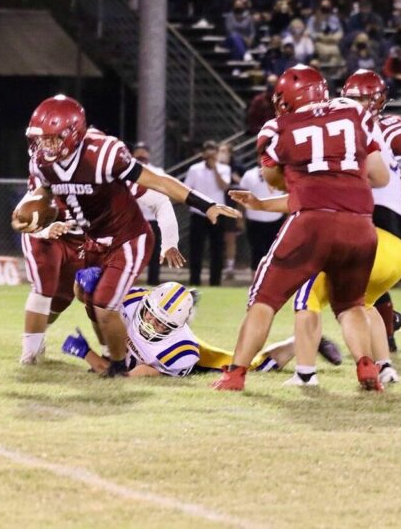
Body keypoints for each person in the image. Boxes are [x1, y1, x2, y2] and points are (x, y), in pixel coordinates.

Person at [14, 95, 238, 378]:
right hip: (93, 239)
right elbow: (40, 200)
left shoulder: (104, 154)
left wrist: (205, 205)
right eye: (41, 139)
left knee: (104, 304)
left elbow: (158, 184)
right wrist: (35, 221)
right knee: (86, 297)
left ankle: (116, 366)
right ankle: (111, 357)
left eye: (52, 139)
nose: (44, 146)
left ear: (73, 134)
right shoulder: (41, 163)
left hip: (127, 238)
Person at [212, 65, 390, 392]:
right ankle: (367, 367)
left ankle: (235, 374)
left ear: (287, 98)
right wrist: (341, 176)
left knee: (263, 298)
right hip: (361, 224)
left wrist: (311, 178)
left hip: (312, 224)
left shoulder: (275, 128)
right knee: (350, 304)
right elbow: (380, 177)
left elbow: (276, 181)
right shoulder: (355, 114)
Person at [63, 278, 299, 377]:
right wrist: (87, 286)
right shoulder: (134, 299)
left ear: (175, 327)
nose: (151, 324)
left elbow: (123, 377)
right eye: (152, 316)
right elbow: (92, 303)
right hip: (140, 351)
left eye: (162, 323)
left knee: (254, 364)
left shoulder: (180, 351)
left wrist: (87, 354)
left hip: (194, 359)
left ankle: (300, 342)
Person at [19, 198, 86, 365]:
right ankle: (29, 352)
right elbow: (20, 218)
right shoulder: (49, 177)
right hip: (47, 237)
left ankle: (39, 334)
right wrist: (44, 230)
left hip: (80, 241)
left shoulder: (101, 178)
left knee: (61, 299)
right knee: (44, 288)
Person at [128, 141, 183, 285]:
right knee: (131, 252)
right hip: (133, 218)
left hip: (152, 217)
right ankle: (129, 282)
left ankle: (153, 282)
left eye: (143, 151)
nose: (141, 154)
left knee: (154, 252)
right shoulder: (126, 170)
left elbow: (167, 191)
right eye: (138, 151)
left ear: (148, 154)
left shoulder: (157, 171)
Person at [183, 141, 232, 286]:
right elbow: (186, 188)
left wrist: (215, 169)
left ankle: (215, 282)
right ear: (203, 153)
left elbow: (224, 187)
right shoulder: (194, 169)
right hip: (198, 213)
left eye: (213, 153)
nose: (210, 156)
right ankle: (194, 281)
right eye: (207, 152)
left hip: (217, 213)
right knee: (196, 249)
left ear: (217, 154)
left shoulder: (224, 168)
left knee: (217, 249)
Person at [238, 165, 285, 270]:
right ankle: (255, 282)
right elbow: (242, 198)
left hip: (276, 218)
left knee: (275, 252)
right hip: (254, 219)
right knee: (257, 252)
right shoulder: (249, 174)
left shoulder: (282, 172)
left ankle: (272, 282)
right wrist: (240, 218)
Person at [218, 143, 242, 280]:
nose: (221, 153)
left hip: (231, 206)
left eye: (224, 151)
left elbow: (245, 185)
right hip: (217, 205)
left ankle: (230, 267)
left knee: (230, 239)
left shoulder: (237, 168)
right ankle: (217, 267)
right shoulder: (213, 168)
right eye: (220, 151)